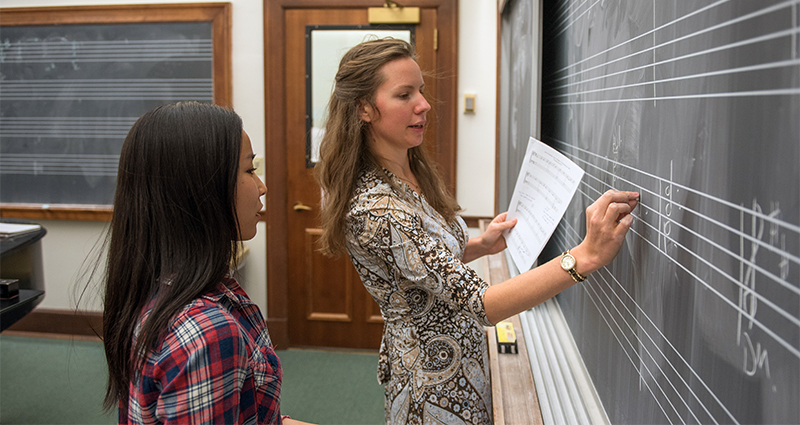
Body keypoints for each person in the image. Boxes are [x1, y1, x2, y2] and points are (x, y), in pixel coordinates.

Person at [315, 38, 639, 424]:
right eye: (404, 94)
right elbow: (483, 305)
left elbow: (422, 263)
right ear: (364, 109)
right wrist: (583, 257)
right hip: (434, 390)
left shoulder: (408, 170)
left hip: (461, 364)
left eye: (421, 90)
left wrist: (481, 245)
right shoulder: (375, 209)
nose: (423, 104)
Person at [100, 101, 309, 424]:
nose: (262, 187)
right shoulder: (207, 332)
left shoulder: (156, 288)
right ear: (202, 190)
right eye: (250, 170)